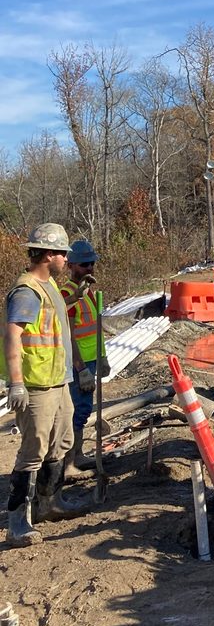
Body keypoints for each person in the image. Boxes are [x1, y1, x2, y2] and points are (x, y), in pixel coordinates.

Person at [2, 224, 85, 546]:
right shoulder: (26, 291)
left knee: (60, 442)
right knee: (32, 451)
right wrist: (16, 383)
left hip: (58, 380)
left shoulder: (49, 285)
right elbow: (13, 335)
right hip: (37, 383)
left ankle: (50, 502)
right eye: (63, 254)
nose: (67, 259)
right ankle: (17, 522)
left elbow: (58, 323)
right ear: (49, 254)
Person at [59, 239, 102, 476]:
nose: (90, 268)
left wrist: (101, 357)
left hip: (90, 360)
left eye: (92, 263)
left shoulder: (88, 293)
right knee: (77, 410)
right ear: (72, 265)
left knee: (84, 409)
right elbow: (69, 335)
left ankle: (78, 455)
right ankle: (69, 463)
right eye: (85, 264)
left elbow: (95, 329)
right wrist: (81, 367)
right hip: (79, 364)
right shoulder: (68, 294)